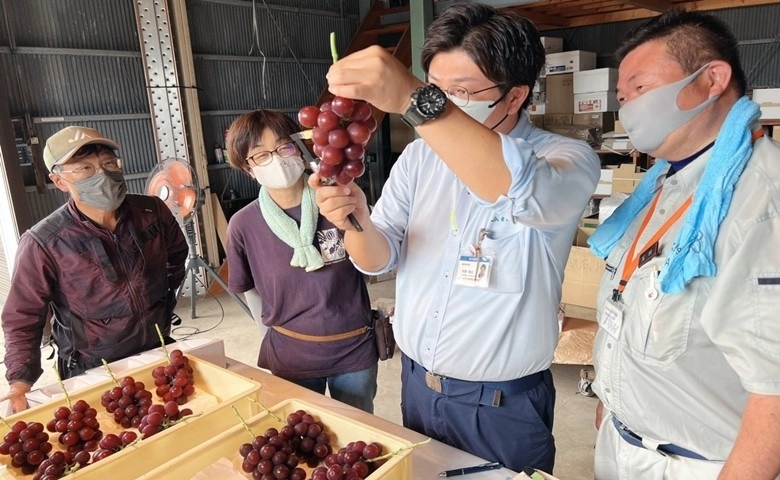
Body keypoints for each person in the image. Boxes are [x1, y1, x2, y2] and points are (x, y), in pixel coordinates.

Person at [311, 3, 600, 472]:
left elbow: (520, 191)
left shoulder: (566, 160)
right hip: (416, 387)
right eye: (436, 90)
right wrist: (354, 221)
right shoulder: (419, 161)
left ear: (515, 96)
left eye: (459, 92)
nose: (442, 104)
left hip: (501, 408)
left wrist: (414, 99)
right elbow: (379, 259)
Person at [587, 9, 780, 479]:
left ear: (712, 78)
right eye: (622, 95)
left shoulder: (759, 200)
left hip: (698, 466)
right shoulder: (663, 184)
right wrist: (612, 408)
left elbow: (774, 392)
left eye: (641, 87)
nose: (627, 105)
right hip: (624, 443)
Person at [1, 126, 188, 413]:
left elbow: (177, 256)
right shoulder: (44, 242)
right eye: (84, 168)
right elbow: (22, 317)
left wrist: (160, 303)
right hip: (92, 367)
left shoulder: (151, 211)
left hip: (157, 349)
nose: (102, 174)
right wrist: (20, 382)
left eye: (109, 164)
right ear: (59, 181)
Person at [224, 110, 378, 413]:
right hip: (291, 353)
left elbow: (373, 264)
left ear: (301, 148)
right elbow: (248, 288)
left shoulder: (340, 201)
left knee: (360, 433)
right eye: (260, 155)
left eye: (284, 147)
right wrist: (268, 334)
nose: (277, 160)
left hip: (353, 348)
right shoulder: (243, 224)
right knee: (302, 439)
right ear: (247, 168)